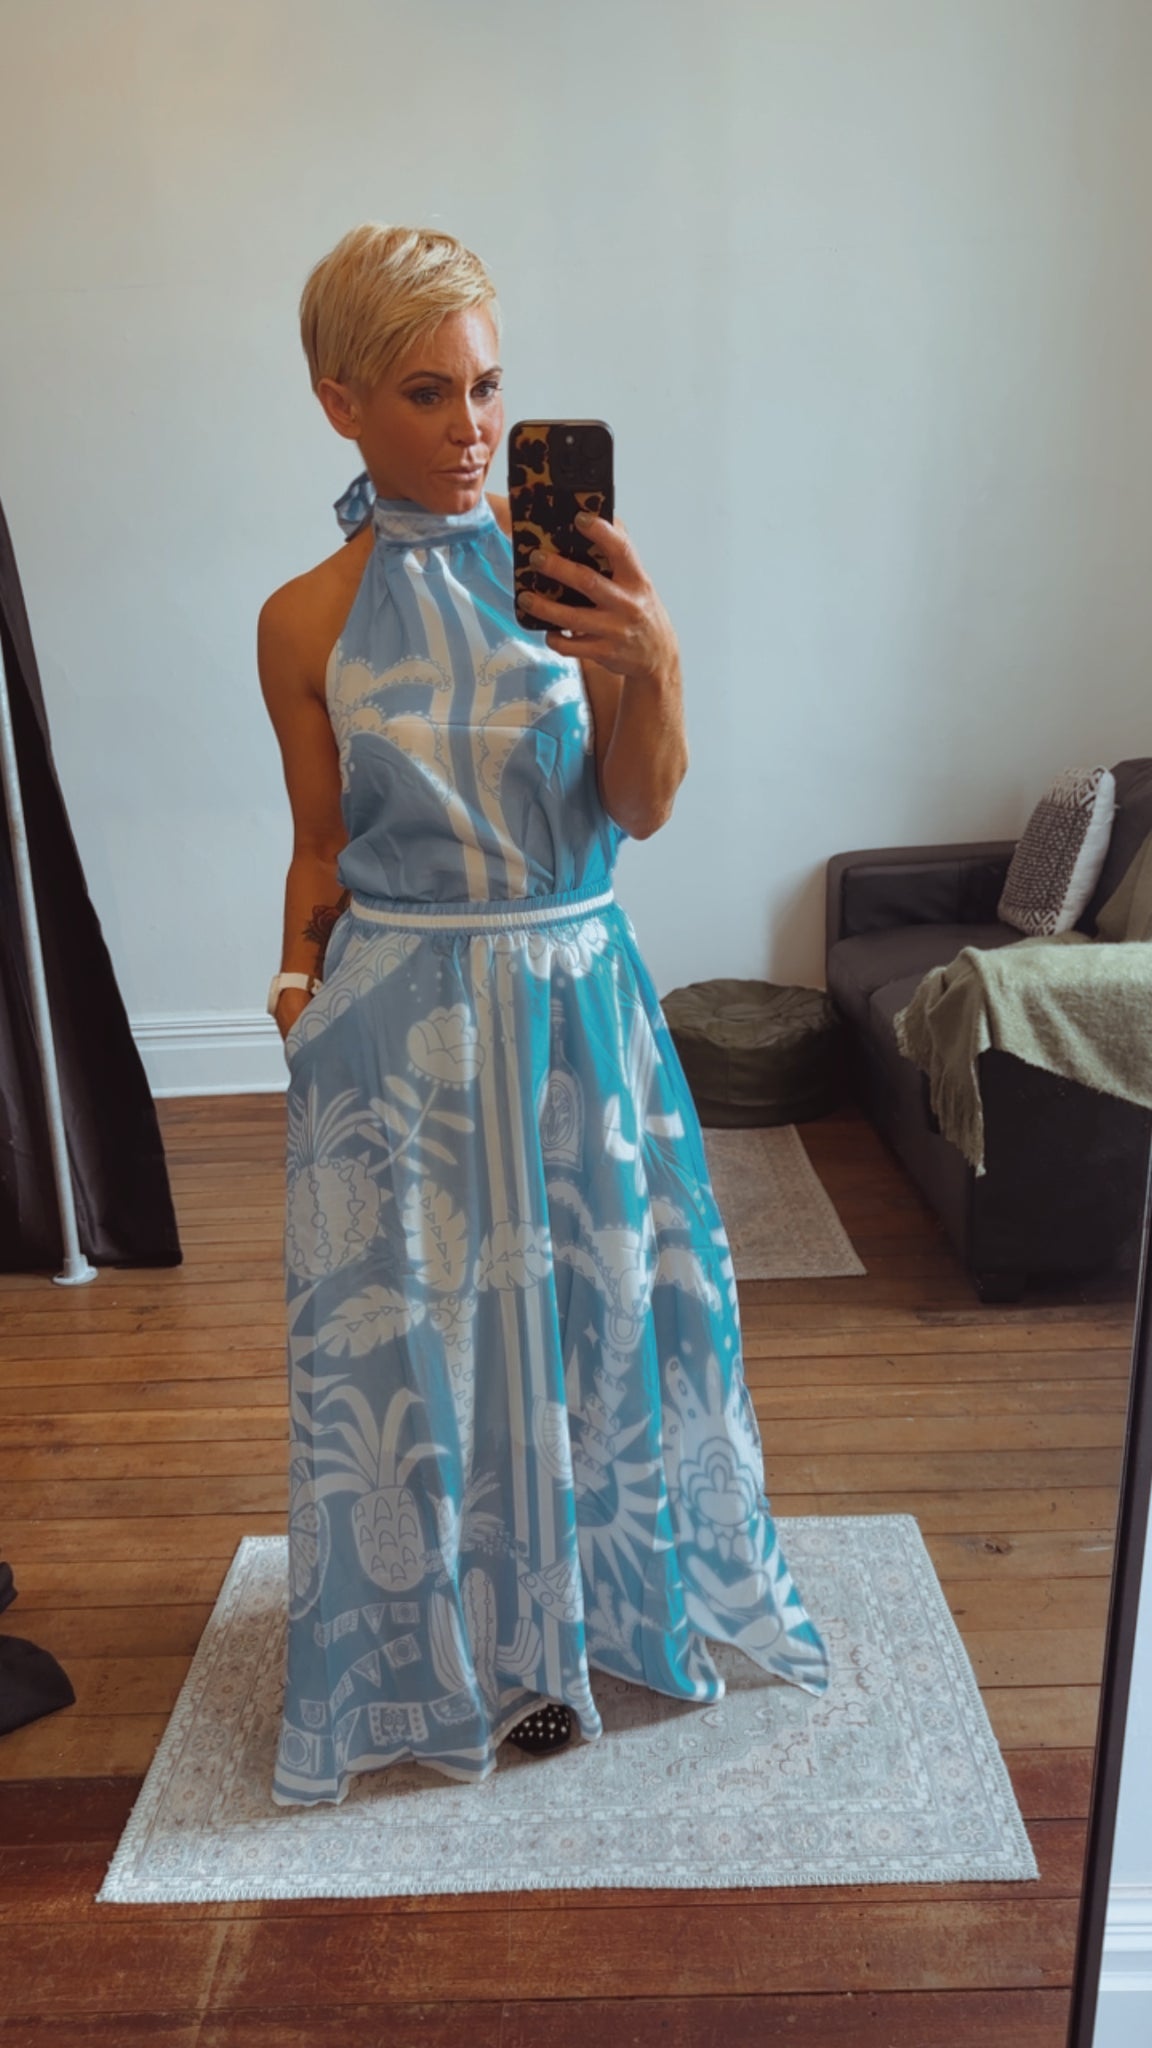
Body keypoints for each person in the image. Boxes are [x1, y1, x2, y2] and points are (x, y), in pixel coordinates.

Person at [258, 222, 829, 1807]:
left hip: (577, 1001)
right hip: (398, 1029)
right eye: (426, 392)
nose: (472, 428)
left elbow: (639, 807)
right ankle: (446, 1649)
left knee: (604, 1318)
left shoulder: (575, 578)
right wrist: (296, 989)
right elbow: (320, 842)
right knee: (425, 1354)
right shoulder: (302, 622)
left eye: (489, 387)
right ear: (341, 403)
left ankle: (602, 1622)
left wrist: (658, 660)